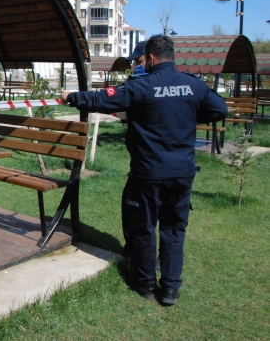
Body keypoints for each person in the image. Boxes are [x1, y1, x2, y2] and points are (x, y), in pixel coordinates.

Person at [61, 34, 227, 305]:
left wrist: (71, 97)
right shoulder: (192, 85)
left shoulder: (142, 86)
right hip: (182, 173)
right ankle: (171, 289)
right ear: (172, 56)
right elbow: (219, 109)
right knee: (174, 229)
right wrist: (187, 114)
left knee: (144, 228)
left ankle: (145, 284)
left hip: (148, 172)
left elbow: (101, 100)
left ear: (150, 58)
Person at [119, 40, 148, 260]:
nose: (134, 67)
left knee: (136, 211)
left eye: (138, 62)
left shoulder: (141, 85)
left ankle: (138, 258)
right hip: (145, 160)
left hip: (147, 165)